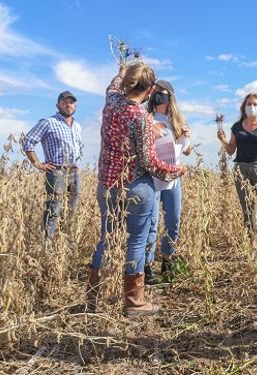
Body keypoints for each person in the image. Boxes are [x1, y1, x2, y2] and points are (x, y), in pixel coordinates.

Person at [87, 63, 186, 316]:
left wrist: (122, 71)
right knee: (137, 241)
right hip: (135, 187)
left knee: (106, 239)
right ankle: (134, 302)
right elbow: (149, 163)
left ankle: (92, 298)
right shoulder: (141, 118)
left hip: (107, 185)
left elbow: (113, 84)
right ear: (150, 90)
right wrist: (176, 170)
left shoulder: (111, 102)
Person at [145, 79, 192, 284]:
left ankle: (167, 259)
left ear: (170, 97)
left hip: (174, 178)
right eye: (155, 92)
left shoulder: (177, 122)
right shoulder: (147, 119)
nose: (158, 96)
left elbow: (186, 151)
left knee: (173, 219)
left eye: (162, 93)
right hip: (153, 177)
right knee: (152, 221)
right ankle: (146, 266)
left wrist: (186, 137)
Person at [23, 91, 83, 247]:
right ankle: (47, 246)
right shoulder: (48, 122)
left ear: (75, 105)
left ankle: (65, 243)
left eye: (71, 102)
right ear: (58, 105)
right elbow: (28, 142)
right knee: (54, 208)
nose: (68, 105)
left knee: (71, 209)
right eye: (65, 102)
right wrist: (38, 164)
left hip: (74, 171)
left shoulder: (77, 126)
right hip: (57, 171)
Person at [217, 93, 257, 236]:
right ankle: (252, 239)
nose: (252, 107)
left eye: (255, 104)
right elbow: (231, 150)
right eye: (249, 104)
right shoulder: (237, 127)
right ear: (244, 107)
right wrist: (223, 140)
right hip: (241, 169)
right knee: (247, 207)